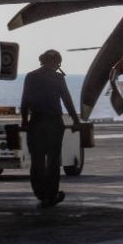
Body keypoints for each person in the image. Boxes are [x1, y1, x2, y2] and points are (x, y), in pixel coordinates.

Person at [20, 49, 81, 209]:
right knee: (53, 160)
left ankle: (40, 193)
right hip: (54, 123)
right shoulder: (58, 78)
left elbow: (24, 101)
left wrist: (24, 121)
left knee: (37, 160)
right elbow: (67, 100)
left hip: (36, 122)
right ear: (57, 63)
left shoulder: (30, 76)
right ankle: (51, 195)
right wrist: (75, 120)